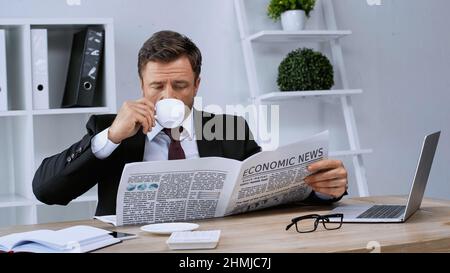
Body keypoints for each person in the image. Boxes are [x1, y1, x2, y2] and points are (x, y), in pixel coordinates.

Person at [32, 30, 348, 216]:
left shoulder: (230, 129)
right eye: (156, 86)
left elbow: (265, 192)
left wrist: (322, 191)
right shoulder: (110, 129)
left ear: (197, 85)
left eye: (180, 85)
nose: (168, 95)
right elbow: (46, 191)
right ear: (141, 85)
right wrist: (112, 136)